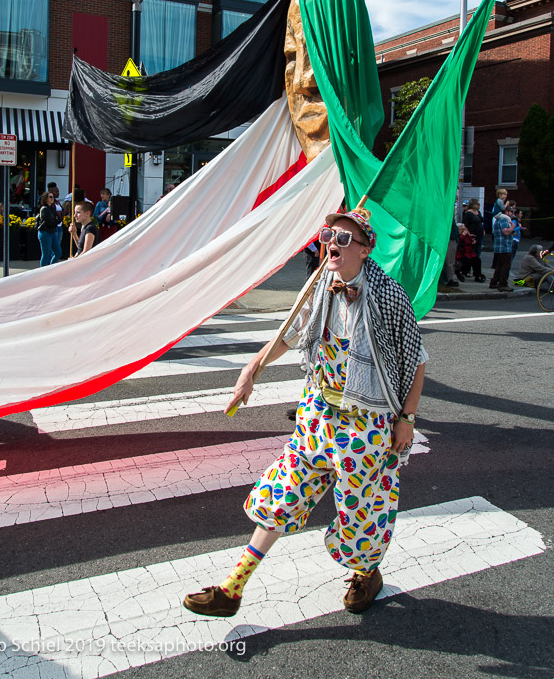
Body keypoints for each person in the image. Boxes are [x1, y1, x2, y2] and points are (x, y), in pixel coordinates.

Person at [183, 210, 427, 618]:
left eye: (345, 239)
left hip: (366, 424)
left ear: (366, 250)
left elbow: (416, 360)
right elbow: (291, 334)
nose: (333, 242)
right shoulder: (318, 287)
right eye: (329, 234)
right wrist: (252, 369)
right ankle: (232, 588)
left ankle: (367, 573)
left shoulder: (389, 296)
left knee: (361, 512)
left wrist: (407, 418)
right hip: (317, 417)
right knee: (283, 494)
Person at [490, 209, 514, 291]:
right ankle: (503, 284)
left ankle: (494, 282)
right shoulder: (504, 220)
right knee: (506, 266)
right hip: (504, 246)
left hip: (499, 246)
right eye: (511, 212)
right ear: (506, 212)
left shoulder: (498, 220)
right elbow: (506, 232)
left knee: (499, 265)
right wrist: (513, 227)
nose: (512, 214)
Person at [36, 190, 62, 267]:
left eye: (53, 197)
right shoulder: (44, 209)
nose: (52, 198)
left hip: (52, 232)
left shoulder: (52, 208)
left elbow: (55, 219)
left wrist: (57, 219)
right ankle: (43, 270)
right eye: (50, 197)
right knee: (46, 254)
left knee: (58, 253)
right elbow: (50, 222)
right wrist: (58, 220)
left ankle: (51, 268)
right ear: (46, 198)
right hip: (45, 232)